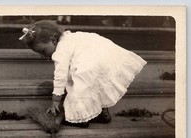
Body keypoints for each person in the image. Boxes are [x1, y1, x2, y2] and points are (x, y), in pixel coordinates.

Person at [19, 20, 147, 127]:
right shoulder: (70, 37)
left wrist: (56, 100)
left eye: (42, 51)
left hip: (91, 64)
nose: (43, 56)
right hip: (104, 56)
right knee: (94, 85)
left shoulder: (61, 51)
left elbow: (60, 76)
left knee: (78, 87)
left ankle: (81, 118)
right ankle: (102, 112)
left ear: (53, 40)